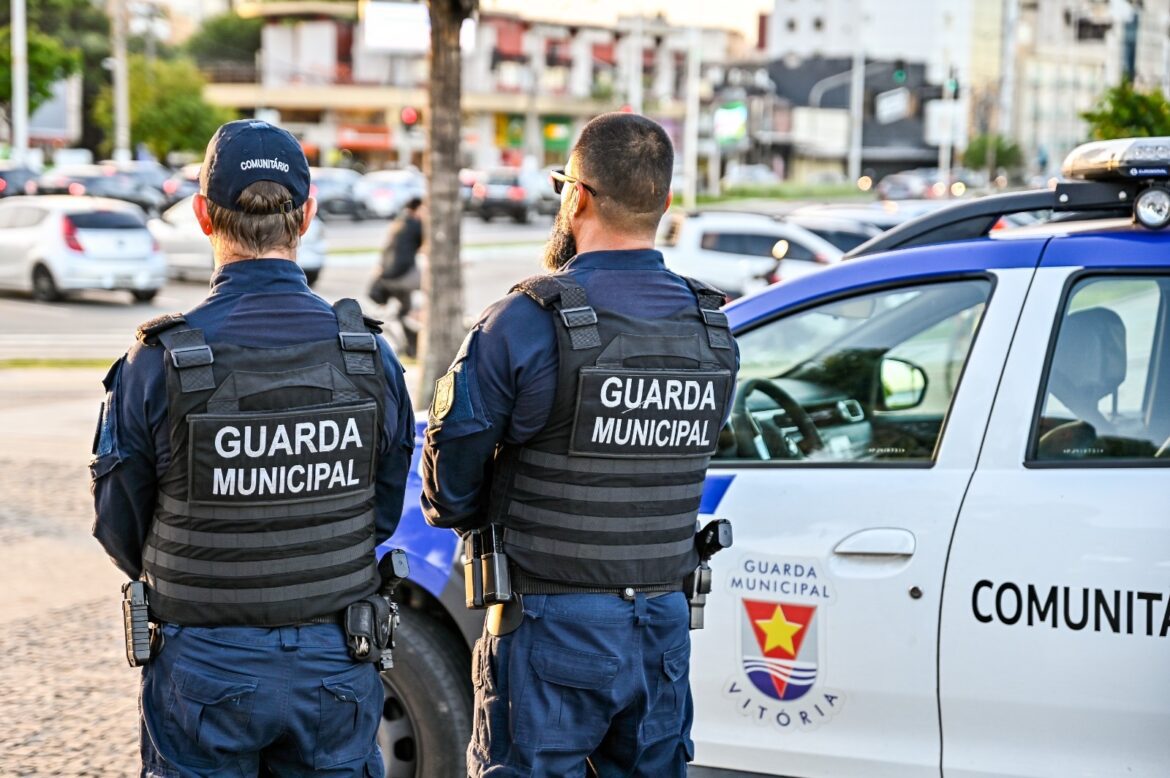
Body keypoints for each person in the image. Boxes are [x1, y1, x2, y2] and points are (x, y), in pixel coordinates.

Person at [91, 119, 416, 777]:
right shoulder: (368, 358)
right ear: (309, 214)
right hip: (336, 659)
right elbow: (379, 511)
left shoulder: (158, 362)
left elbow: (119, 524)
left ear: (203, 215)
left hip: (205, 668)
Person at [421, 112, 738, 777]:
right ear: (665, 202)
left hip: (548, 630)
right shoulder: (712, 329)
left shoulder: (526, 322)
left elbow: (449, 488)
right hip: (661, 628)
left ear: (579, 197)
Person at [371, 197, 424, 357]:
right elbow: (424, 249)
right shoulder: (414, 225)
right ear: (416, 209)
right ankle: (412, 346)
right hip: (402, 277)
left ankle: (409, 346)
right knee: (410, 311)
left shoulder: (398, 223)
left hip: (388, 277)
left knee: (403, 311)